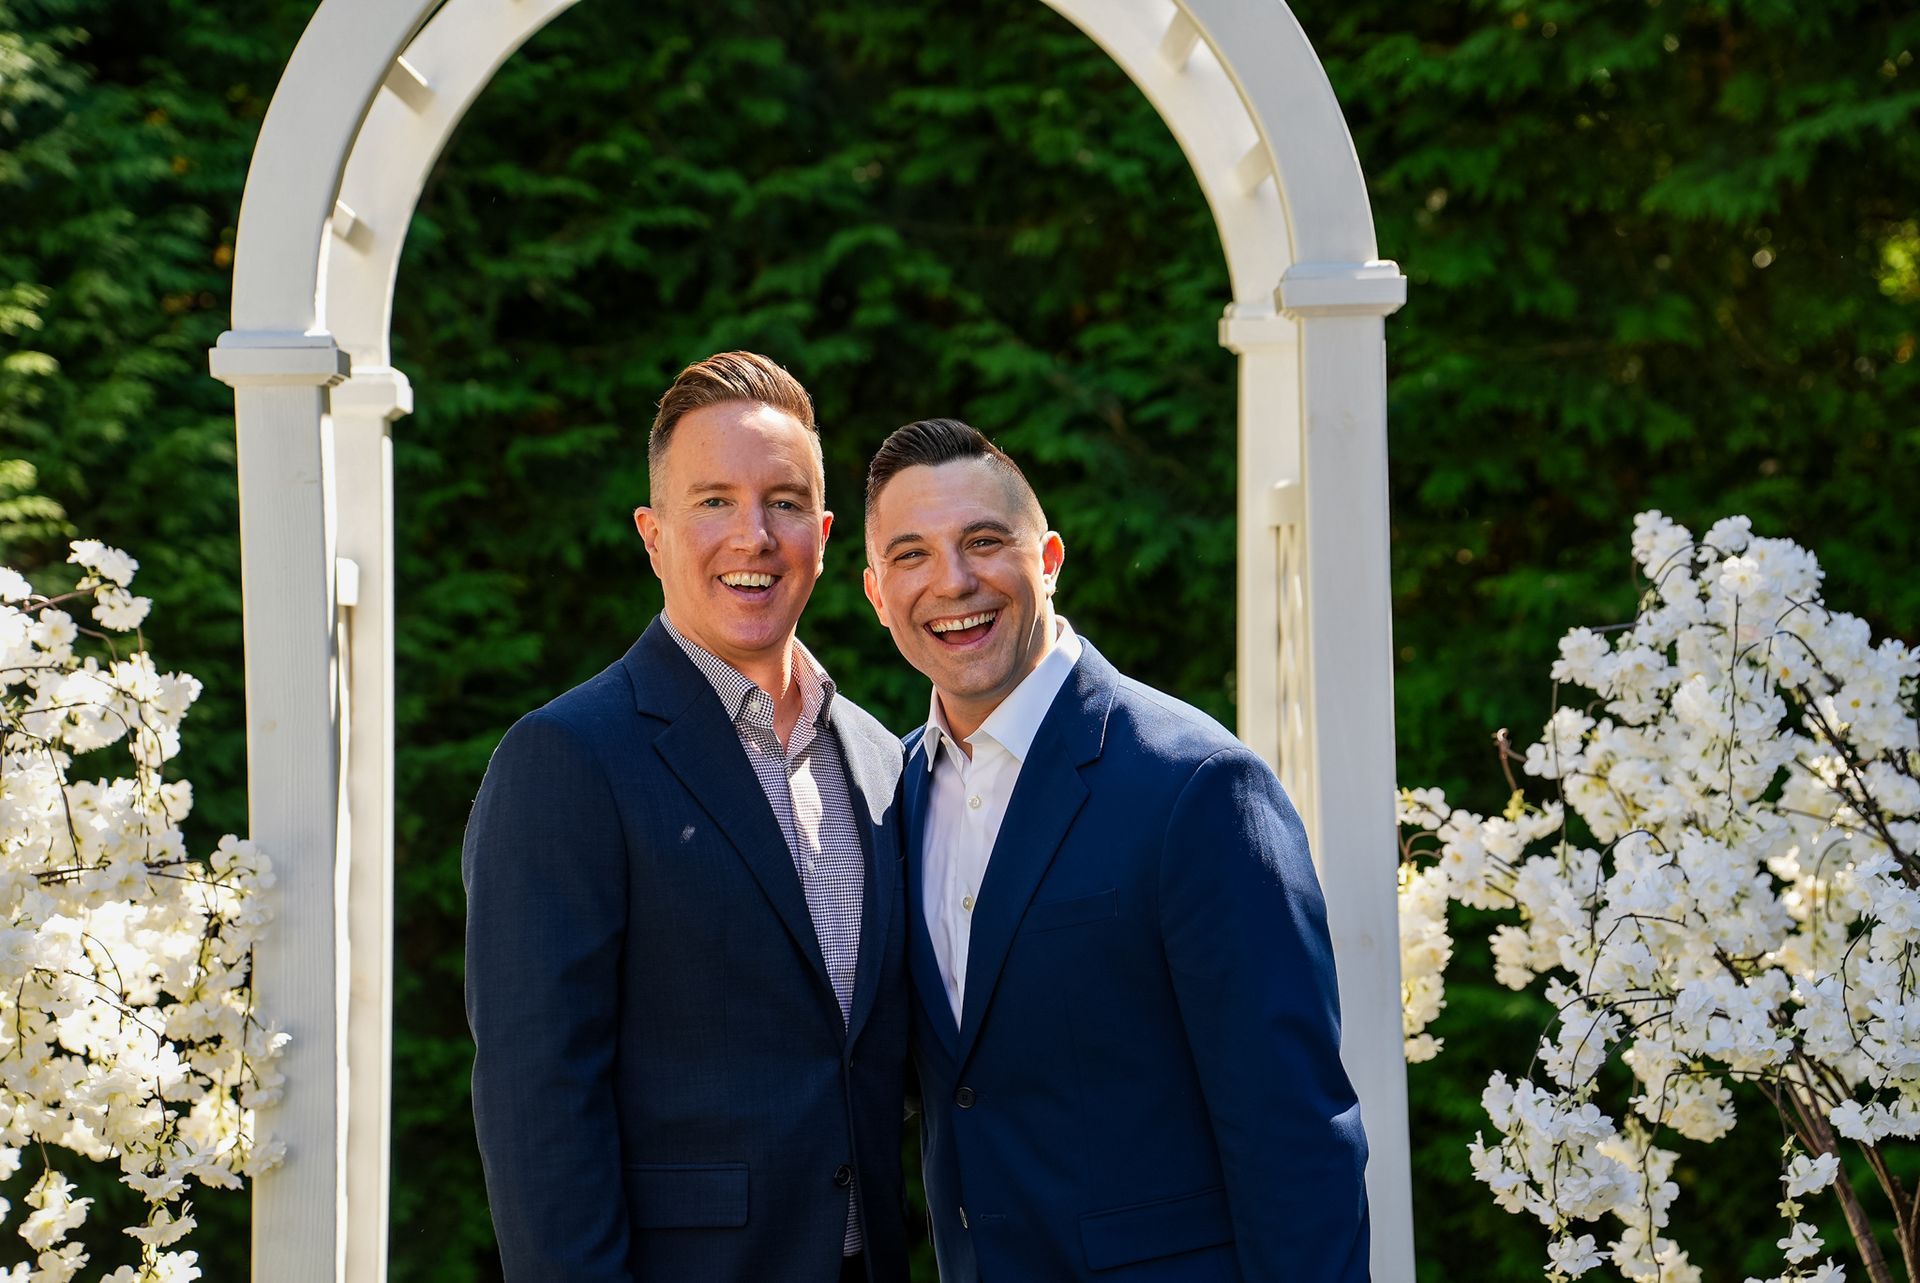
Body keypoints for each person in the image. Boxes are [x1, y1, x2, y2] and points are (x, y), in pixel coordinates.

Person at [860, 418, 1370, 1282]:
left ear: (1049, 557)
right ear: (877, 594)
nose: (952, 580)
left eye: (985, 541)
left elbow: (1296, 1141)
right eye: (911, 555)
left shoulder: (1198, 787)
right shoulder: (890, 794)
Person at [463, 352, 910, 1283]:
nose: (753, 534)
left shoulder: (877, 757)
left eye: (784, 502)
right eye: (713, 501)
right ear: (653, 534)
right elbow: (538, 1102)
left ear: (824, 535)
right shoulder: (568, 759)